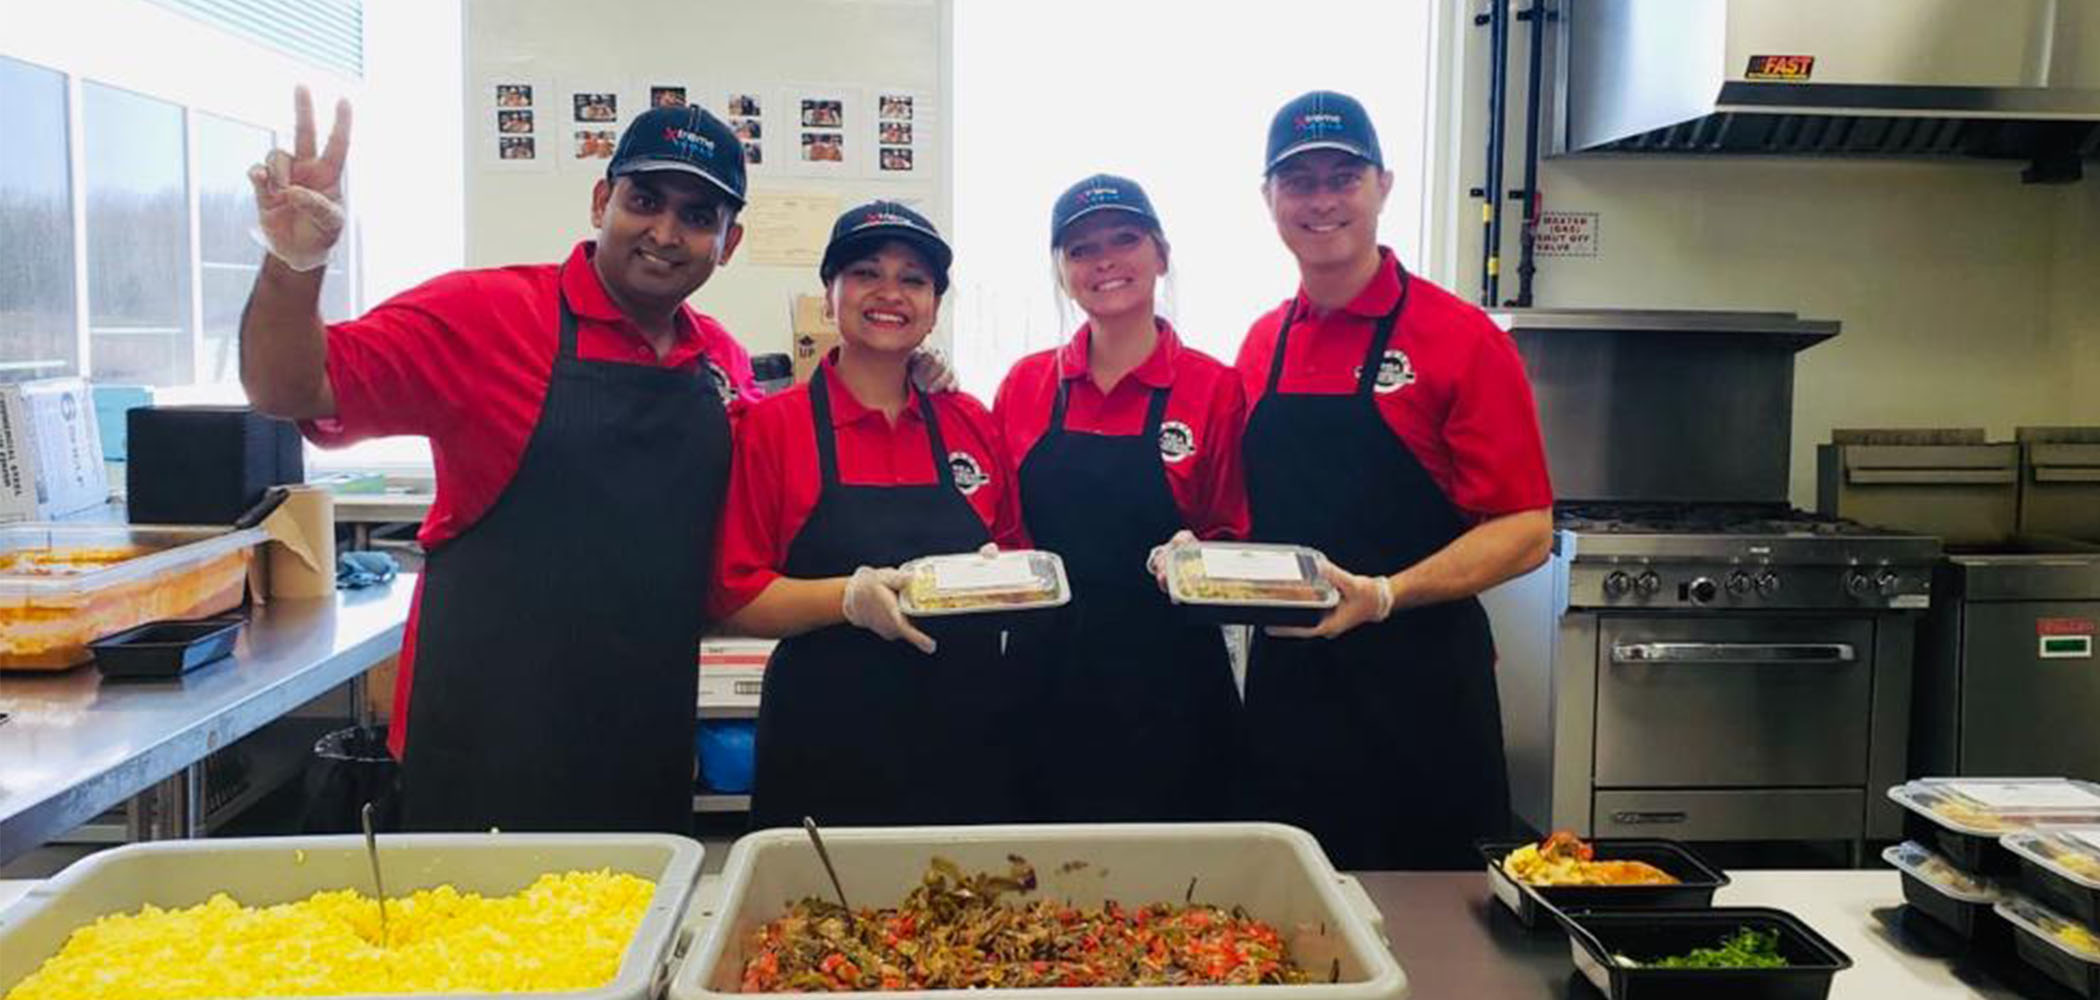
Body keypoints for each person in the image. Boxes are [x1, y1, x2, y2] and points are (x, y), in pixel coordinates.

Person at [241, 88, 760, 834]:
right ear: (600, 200)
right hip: (487, 742)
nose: (665, 232)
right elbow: (286, 385)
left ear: (728, 244)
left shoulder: (720, 361)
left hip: (643, 743)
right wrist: (296, 263)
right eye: (645, 199)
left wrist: (917, 375)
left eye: (698, 216)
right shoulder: (483, 315)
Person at [1225, 91, 1554, 869]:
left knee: (1442, 933)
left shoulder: (1458, 337)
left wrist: (1383, 595)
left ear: (1384, 185)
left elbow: (1527, 528)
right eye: (1299, 180)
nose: (1322, 199)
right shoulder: (1260, 342)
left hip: (1423, 692)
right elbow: (1244, 509)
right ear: (1269, 198)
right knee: (1291, 916)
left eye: (1344, 175)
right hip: (1291, 690)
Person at [712, 201, 1031, 830]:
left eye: (914, 279)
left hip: (968, 739)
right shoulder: (772, 428)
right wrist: (847, 600)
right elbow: (733, 597)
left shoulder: (969, 420)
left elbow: (1018, 555)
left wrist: (1003, 578)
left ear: (936, 304)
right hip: (826, 742)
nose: (891, 294)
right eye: (865, 273)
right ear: (829, 296)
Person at [993, 174, 1248, 821]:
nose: (1104, 260)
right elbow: (998, 526)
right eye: (1080, 249)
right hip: (1041, 686)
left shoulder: (1213, 387)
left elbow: (1237, 532)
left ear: (1160, 254)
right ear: (1061, 272)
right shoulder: (1025, 385)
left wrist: (1203, 557)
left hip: (1172, 693)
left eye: (1124, 239)